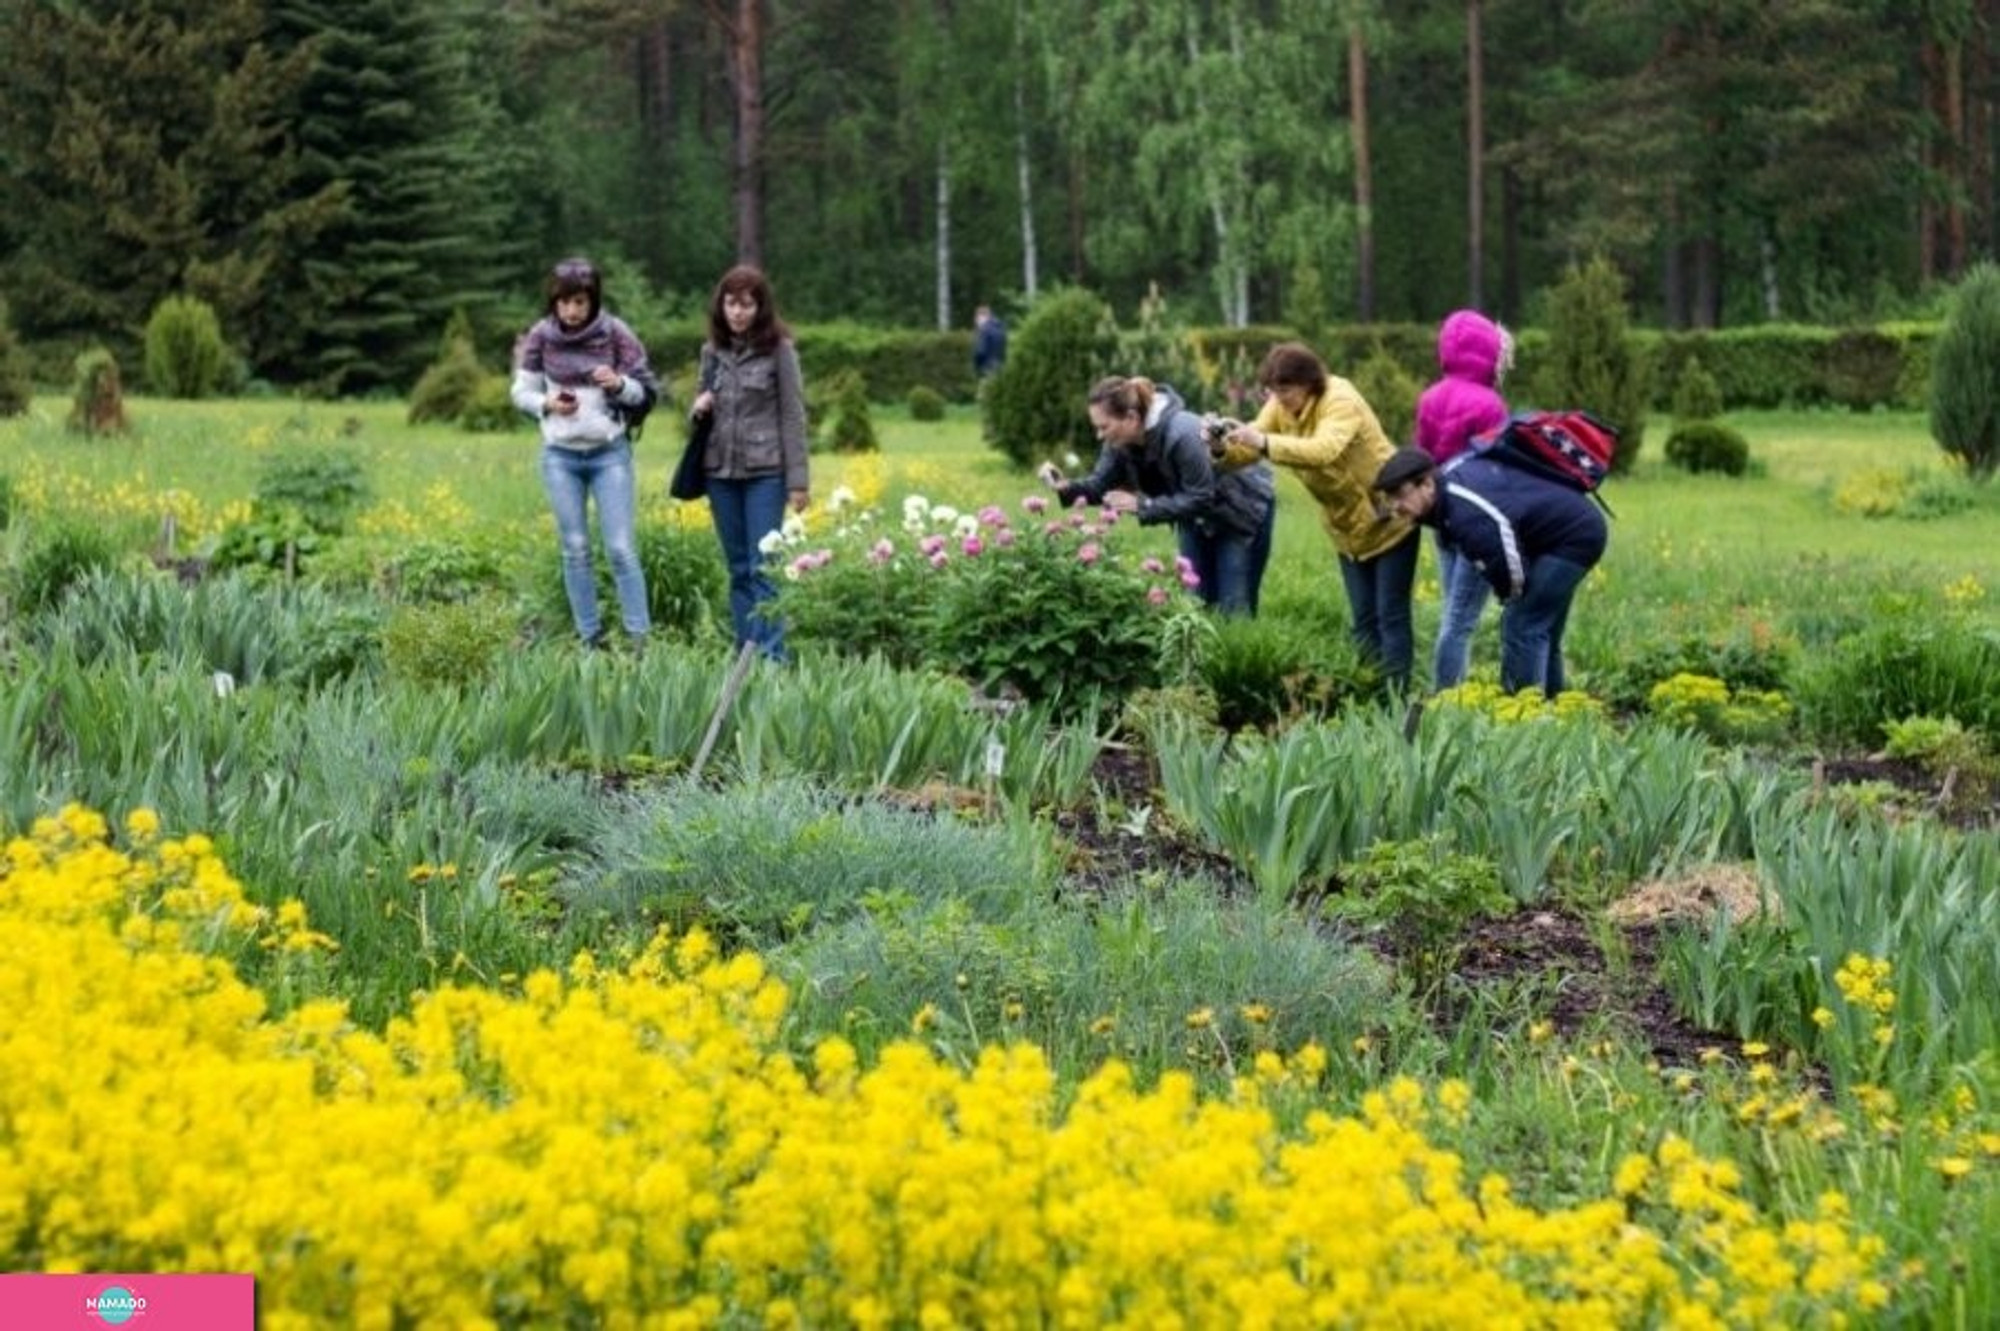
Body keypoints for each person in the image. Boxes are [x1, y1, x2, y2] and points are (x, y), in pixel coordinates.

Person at [1212, 342, 1418, 689]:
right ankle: (1370, 696)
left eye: (1285, 389)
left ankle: (1397, 699)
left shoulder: (1340, 400)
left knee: (1390, 615)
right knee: (1363, 619)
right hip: (1346, 528)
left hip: (1389, 517)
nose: (1278, 397)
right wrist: (1220, 446)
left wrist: (1263, 441)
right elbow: (1250, 447)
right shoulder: (1280, 406)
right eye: (1272, 390)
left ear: (1309, 382)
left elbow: (1324, 450)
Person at [1373, 445, 1607, 699]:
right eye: (1390, 498)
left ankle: (1523, 719)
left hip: (1573, 537)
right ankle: (1555, 707)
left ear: (1427, 485)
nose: (1395, 506)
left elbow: (1504, 554)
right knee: (1541, 626)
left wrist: (1512, 596)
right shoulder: (1448, 495)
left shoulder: (1463, 511)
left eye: (1399, 495)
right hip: (1563, 533)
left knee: (1522, 624)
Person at [511, 256, 659, 648]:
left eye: (579, 302)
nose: (571, 311)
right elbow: (520, 392)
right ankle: (590, 639)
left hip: (609, 454)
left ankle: (639, 641)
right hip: (560, 456)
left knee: (621, 548)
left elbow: (646, 391)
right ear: (553, 302)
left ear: (593, 300)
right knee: (575, 549)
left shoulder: (616, 334)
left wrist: (618, 384)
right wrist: (546, 404)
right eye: (564, 302)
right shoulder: (541, 336)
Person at [1040, 375, 1276, 615]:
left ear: (1131, 417)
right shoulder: (1118, 442)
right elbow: (1099, 486)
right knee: (1196, 608)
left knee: (1233, 610)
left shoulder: (1182, 433)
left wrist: (1144, 505)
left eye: (1104, 426)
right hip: (1194, 518)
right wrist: (1065, 487)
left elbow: (1201, 495)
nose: (1100, 436)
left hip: (1239, 513)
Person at [690, 265, 810, 658]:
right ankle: (746, 655)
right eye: (731, 303)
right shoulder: (711, 352)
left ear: (761, 307)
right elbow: (699, 410)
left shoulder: (780, 351)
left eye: (746, 304)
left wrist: (798, 482)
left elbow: (793, 415)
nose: (738, 312)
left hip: (766, 473)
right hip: (719, 472)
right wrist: (699, 406)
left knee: (765, 568)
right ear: (720, 306)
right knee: (738, 569)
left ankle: (773, 660)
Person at [1414, 309, 1512, 690]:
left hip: (1442, 519)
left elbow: (1423, 457)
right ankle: (1448, 703)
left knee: (1451, 616)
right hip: (1477, 520)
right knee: (1461, 622)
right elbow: (1496, 469)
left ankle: (1446, 696)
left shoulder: (1429, 398)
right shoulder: (1490, 404)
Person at [972, 304, 1008, 377]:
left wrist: (976, 367)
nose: (976, 321)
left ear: (982, 317)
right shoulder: (1000, 329)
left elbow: (980, 352)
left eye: (977, 318)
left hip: (987, 368)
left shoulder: (985, 330)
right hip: (1000, 367)